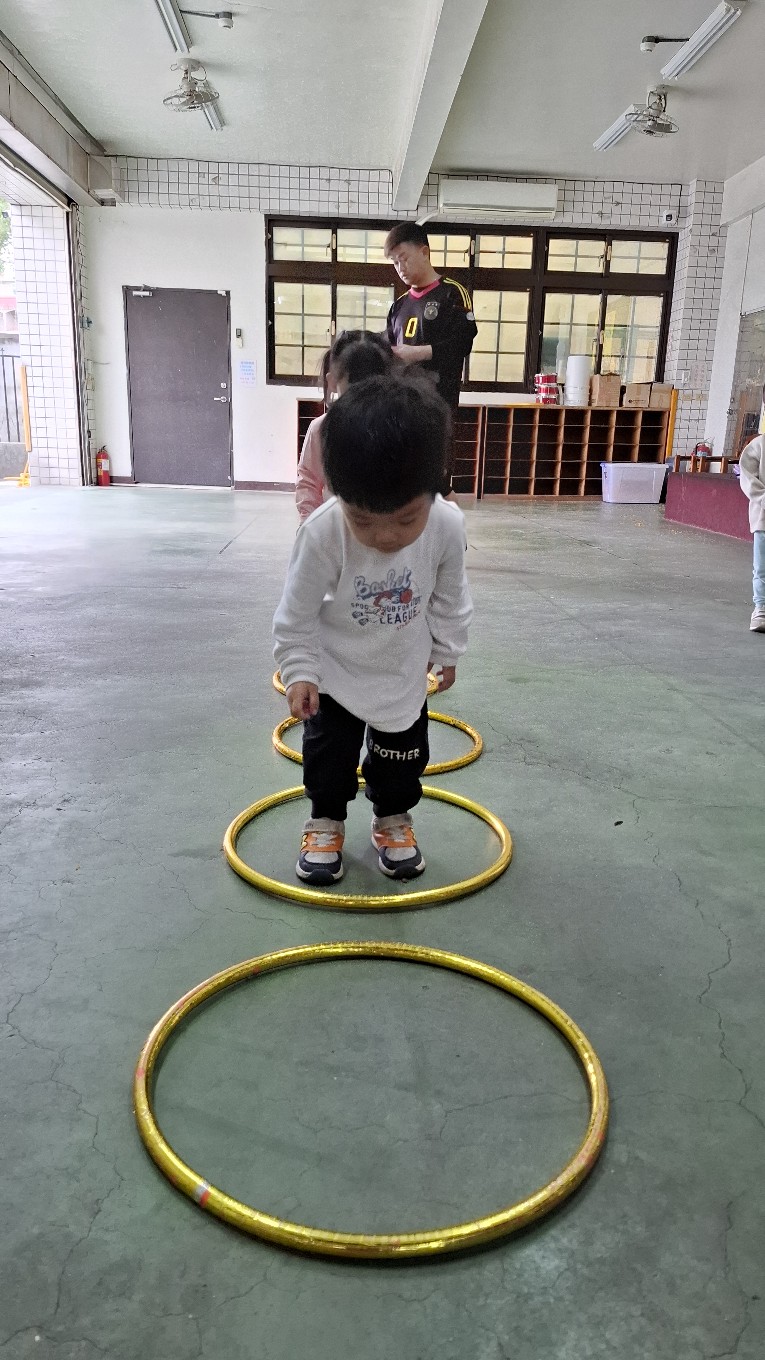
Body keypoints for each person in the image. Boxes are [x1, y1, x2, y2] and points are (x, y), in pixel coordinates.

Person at [273, 370, 473, 885]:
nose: (385, 536)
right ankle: (325, 821)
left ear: (434, 488)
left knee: (401, 760)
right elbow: (296, 614)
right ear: (338, 492)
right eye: (363, 520)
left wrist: (448, 650)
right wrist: (300, 671)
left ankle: (392, 819)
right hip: (334, 674)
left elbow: (450, 596)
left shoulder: (447, 526)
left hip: (403, 671)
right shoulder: (322, 533)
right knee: (328, 757)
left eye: (406, 519)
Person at [384, 221, 478, 490]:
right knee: (400, 483)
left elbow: (462, 343)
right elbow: (389, 352)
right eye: (394, 262)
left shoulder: (452, 293)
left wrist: (417, 353)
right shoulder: (399, 306)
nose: (400, 268)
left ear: (424, 252)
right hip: (401, 410)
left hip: (437, 409)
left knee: (435, 486)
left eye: (404, 258)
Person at [295, 330, 395, 522]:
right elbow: (308, 481)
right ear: (333, 381)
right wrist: (309, 524)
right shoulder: (321, 429)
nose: (362, 398)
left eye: (372, 387)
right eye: (354, 387)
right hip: (336, 528)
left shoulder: (398, 428)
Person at [738, 408, 765, 632]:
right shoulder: (757, 446)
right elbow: (748, 480)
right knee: (762, 568)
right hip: (763, 518)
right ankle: (761, 610)